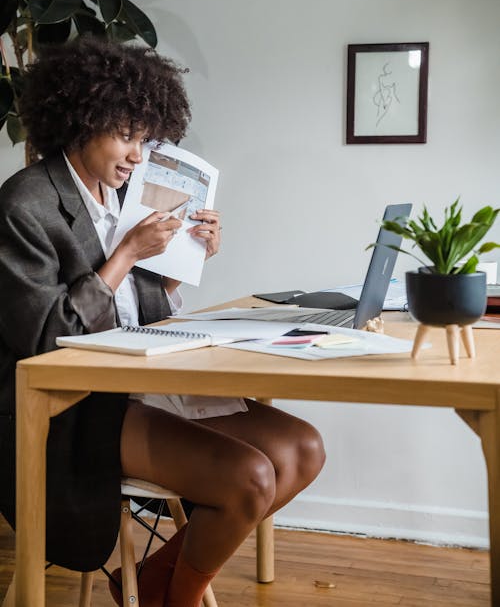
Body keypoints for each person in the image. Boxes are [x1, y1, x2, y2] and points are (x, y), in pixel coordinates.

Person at [0, 36, 325, 607]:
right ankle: (173, 597)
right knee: (249, 477)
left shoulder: (121, 197)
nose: (135, 154)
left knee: (302, 448)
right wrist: (125, 252)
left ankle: (150, 583)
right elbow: (46, 340)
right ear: (80, 120)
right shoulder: (26, 205)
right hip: (75, 407)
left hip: (140, 385)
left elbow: (137, 312)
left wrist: (183, 264)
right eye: (124, 135)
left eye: (144, 139)